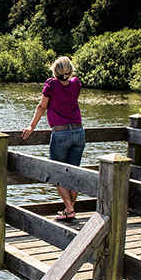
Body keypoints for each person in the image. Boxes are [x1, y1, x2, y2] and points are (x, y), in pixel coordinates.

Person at [21, 56, 85, 221]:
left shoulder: (52, 84)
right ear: (70, 71)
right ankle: (69, 209)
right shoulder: (76, 83)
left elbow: (42, 106)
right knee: (73, 172)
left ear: (54, 71)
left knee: (56, 172)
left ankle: (70, 209)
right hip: (79, 132)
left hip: (61, 133)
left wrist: (31, 127)